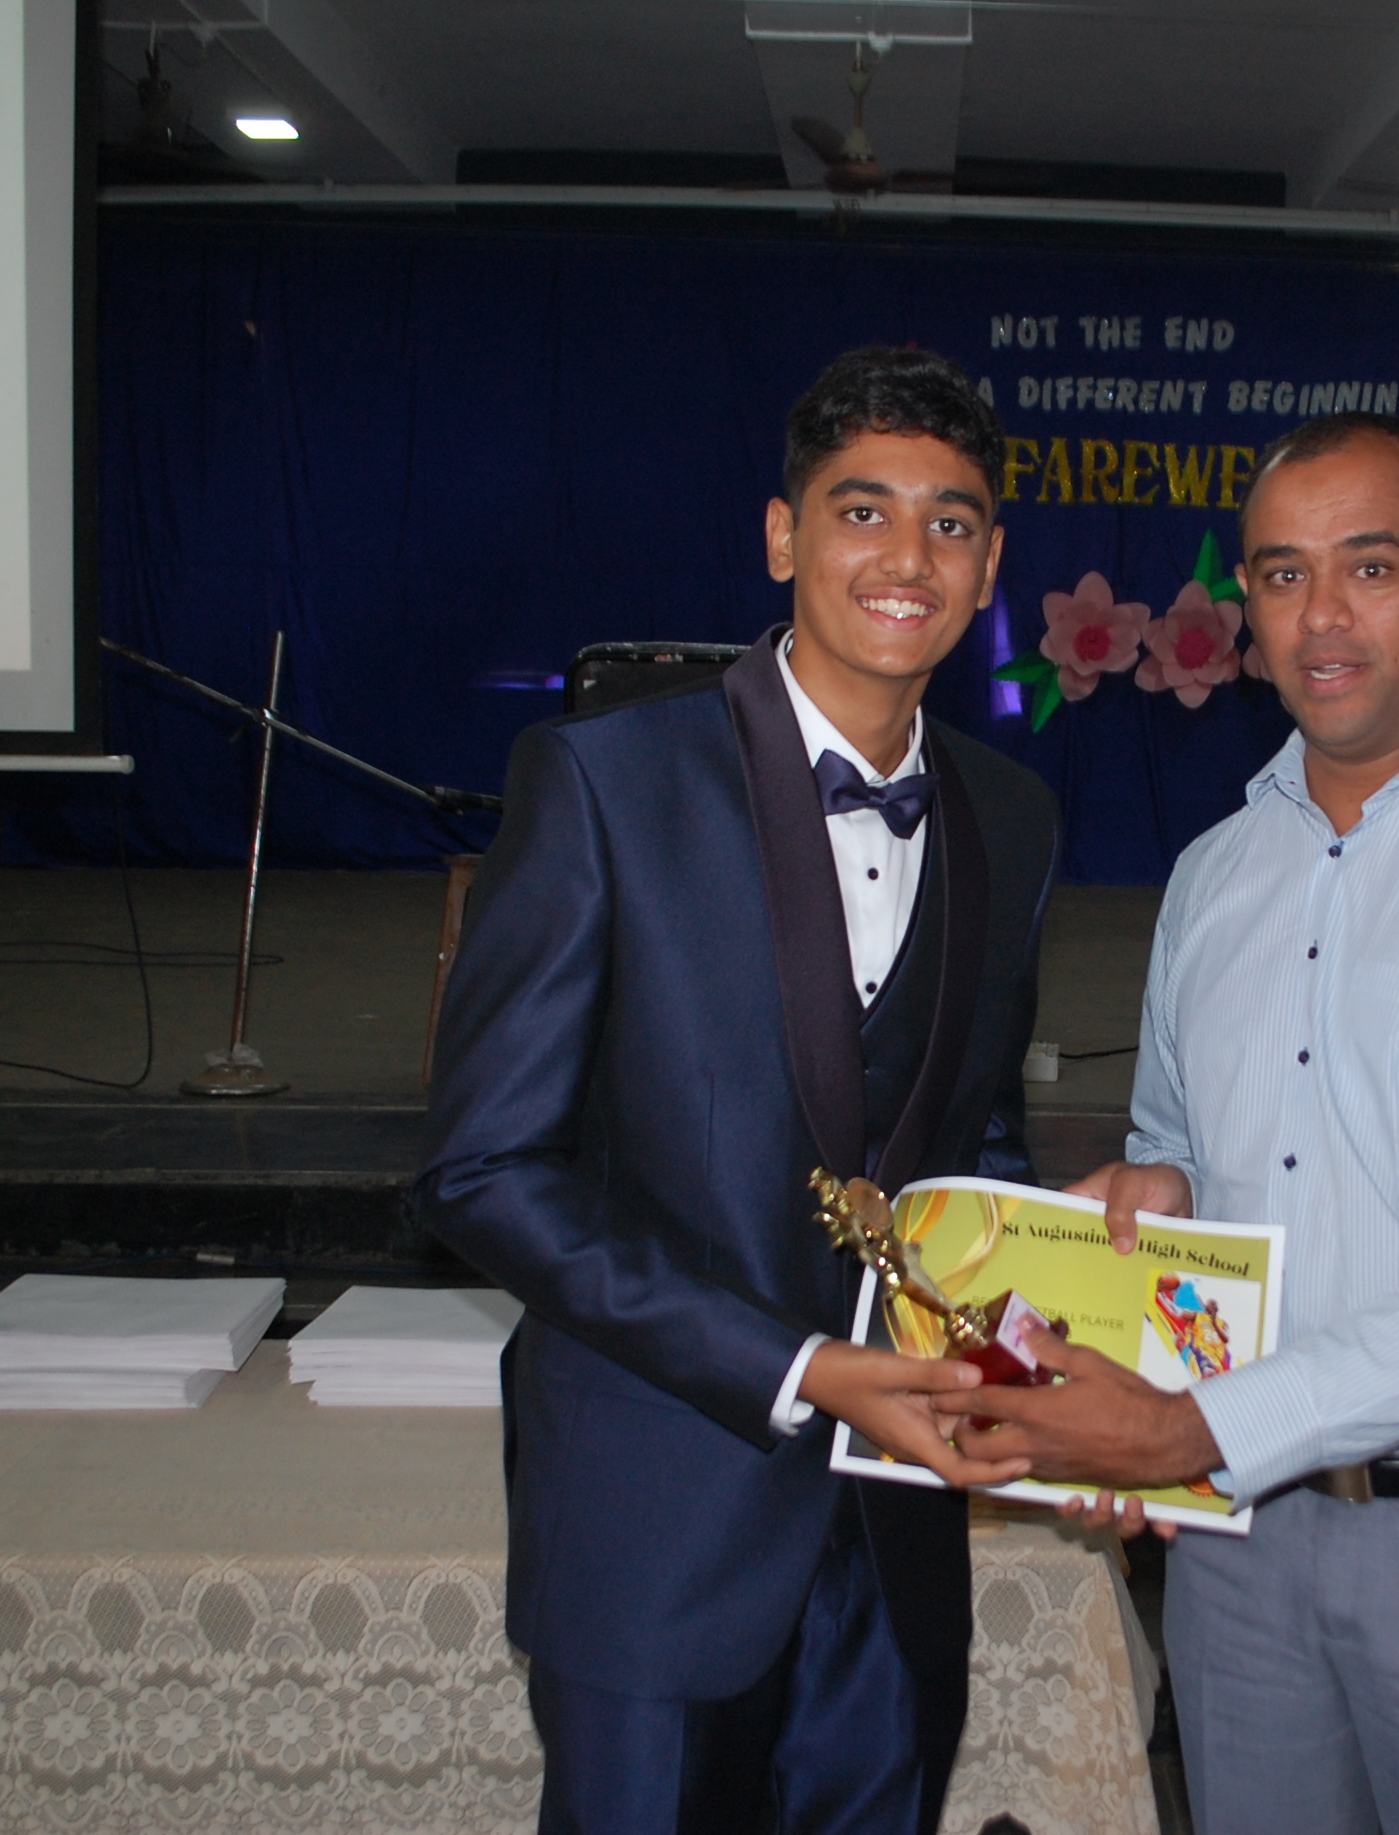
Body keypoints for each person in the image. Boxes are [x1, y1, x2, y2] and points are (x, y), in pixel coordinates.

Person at [945, 411, 1399, 1835]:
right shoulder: (1216, 874)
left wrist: (1186, 1427)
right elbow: (1174, 1147)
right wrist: (1161, 1194)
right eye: (1283, 574)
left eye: (1371, 566)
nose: (1322, 615)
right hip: (1239, 1547)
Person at [418, 345, 1061, 1834]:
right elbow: (481, 1171)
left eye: (951, 523)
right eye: (861, 511)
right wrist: (799, 1368)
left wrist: (1052, 1354)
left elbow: (975, 1144)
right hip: (657, 1528)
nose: (907, 557)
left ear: (990, 565)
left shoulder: (1013, 813)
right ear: (783, 536)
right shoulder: (603, 782)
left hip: (898, 1534)